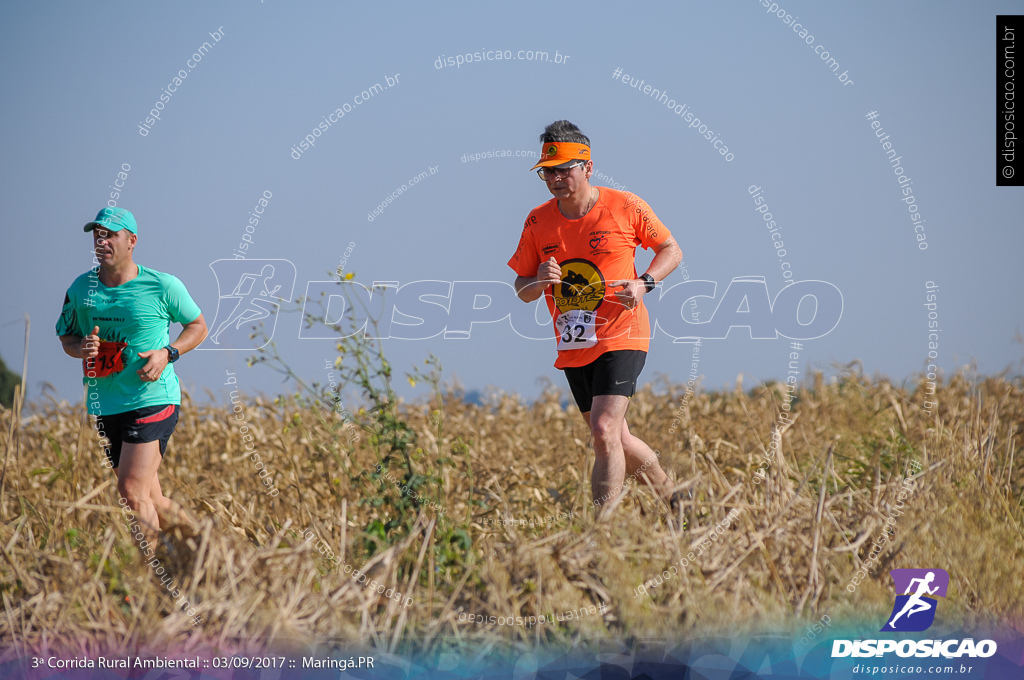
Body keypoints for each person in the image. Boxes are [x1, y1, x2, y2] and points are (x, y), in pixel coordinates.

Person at [508, 120, 683, 515]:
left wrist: (644, 283)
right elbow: (522, 290)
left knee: (603, 431)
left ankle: (600, 536)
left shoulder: (625, 205)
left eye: (563, 169)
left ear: (587, 167)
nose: (555, 178)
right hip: (575, 341)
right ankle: (677, 501)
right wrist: (537, 281)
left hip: (623, 332)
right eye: (547, 171)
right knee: (615, 435)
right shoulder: (538, 221)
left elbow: (671, 249)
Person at [56, 207, 207, 539]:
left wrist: (168, 353)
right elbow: (66, 336)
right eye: (98, 234)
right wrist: (80, 348)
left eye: (110, 234)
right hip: (107, 404)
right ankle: (210, 553)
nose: (102, 240)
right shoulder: (81, 288)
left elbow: (197, 325)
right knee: (152, 498)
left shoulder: (162, 285)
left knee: (130, 493)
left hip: (152, 398)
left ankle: (151, 584)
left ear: (132, 241)